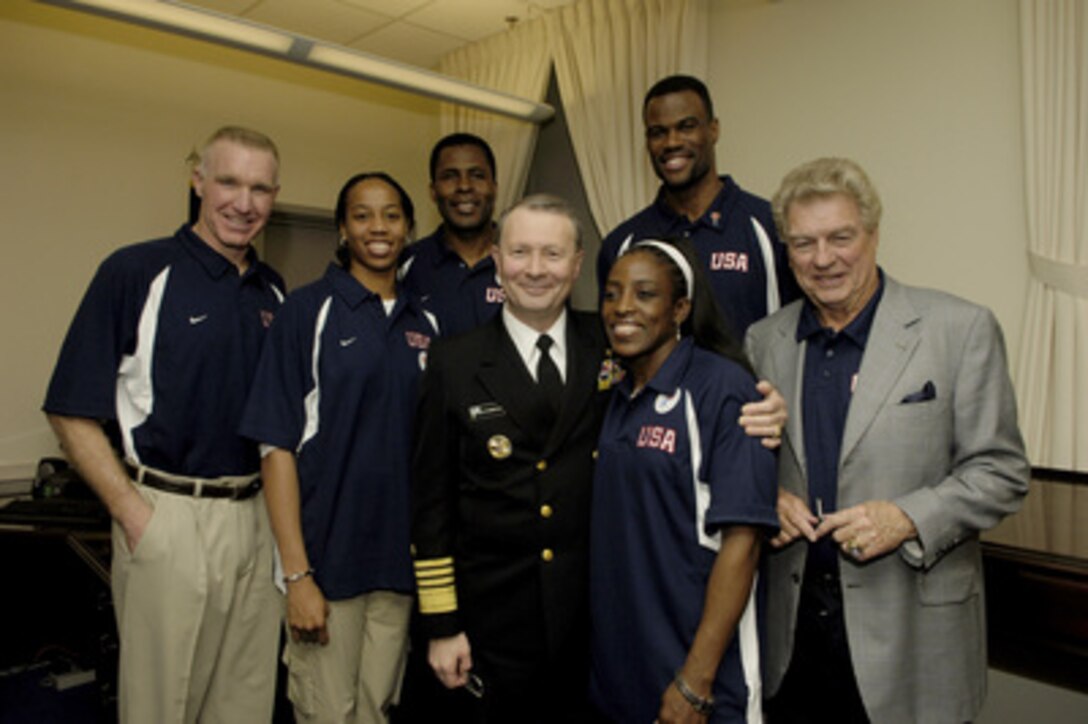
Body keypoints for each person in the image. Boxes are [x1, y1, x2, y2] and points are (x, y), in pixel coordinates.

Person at [744, 158, 1030, 723]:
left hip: (914, 641)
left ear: (873, 234)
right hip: (793, 642)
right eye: (803, 243)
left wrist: (907, 517)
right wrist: (764, 501)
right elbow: (751, 462)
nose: (822, 259)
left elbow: (1000, 471)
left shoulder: (958, 328)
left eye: (840, 238)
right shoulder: (764, 341)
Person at [42, 126, 285, 723]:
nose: (243, 202)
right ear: (197, 180)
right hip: (169, 514)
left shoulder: (274, 291)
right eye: (228, 181)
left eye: (260, 188)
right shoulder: (136, 271)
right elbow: (69, 408)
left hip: (257, 519)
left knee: (246, 700)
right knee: (162, 705)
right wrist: (133, 512)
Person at [240, 172, 437, 722]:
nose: (379, 227)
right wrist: (298, 575)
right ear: (343, 229)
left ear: (409, 227)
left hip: (399, 569)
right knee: (328, 713)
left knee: (376, 710)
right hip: (328, 566)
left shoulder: (427, 321)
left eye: (392, 215)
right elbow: (275, 447)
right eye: (362, 215)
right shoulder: (306, 312)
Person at [409, 194, 605, 722]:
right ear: (497, 260)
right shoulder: (454, 361)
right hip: (489, 622)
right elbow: (431, 504)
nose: (536, 270)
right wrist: (442, 624)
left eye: (552, 254)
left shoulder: (610, 345)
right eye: (520, 253)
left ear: (578, 263)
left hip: (589, 621)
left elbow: (697, 370)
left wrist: (758, 404)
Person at [592, 238, 778, 723]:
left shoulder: (723, 389)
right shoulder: (614, 394)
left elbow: (744, 542)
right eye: (611, 294)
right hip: (622, 673)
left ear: (680, 309)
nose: (622, 308)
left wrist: (696, 681)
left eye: (644, 294)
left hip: (700, 680)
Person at [597, 75, 800, 337]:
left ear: (713, 130)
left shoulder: (771, 227)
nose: (672, 142)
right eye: (658, 132)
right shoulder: (623, 244)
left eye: (686, 127)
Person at [399, 132, 504, 336]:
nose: (464, 186)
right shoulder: (405, 266)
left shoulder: (528, 261)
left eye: (477, 175)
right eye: (450, 176)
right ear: (433, 191)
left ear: (494, 187)